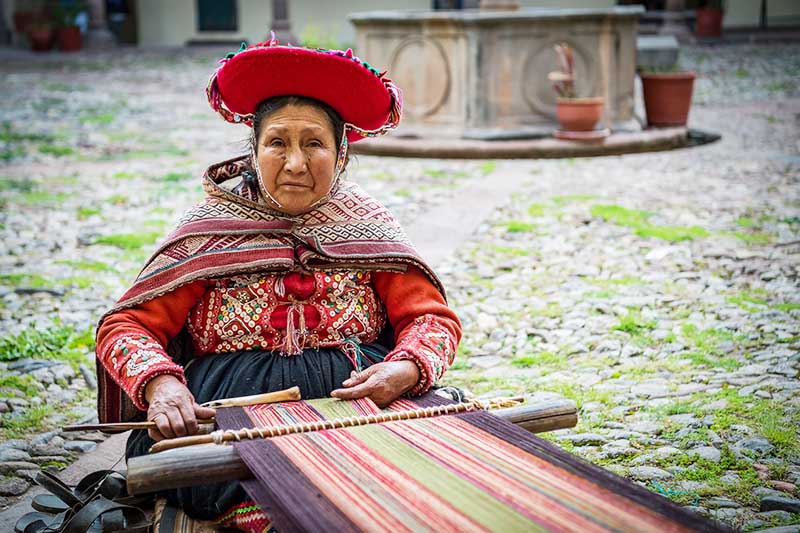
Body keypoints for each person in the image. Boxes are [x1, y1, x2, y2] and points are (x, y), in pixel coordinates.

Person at [94, 35, 461, 531]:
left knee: (431, 455)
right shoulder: (210, 229)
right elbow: (126, 326)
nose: (294, 163)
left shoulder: (369, 226)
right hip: (229, 411)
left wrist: (405, 371)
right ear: (255, 150)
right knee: (223, 471)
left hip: (355, 406)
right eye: (277, 143)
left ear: (341, 154)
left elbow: (431, 321)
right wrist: (162, 388)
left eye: (314, 144)